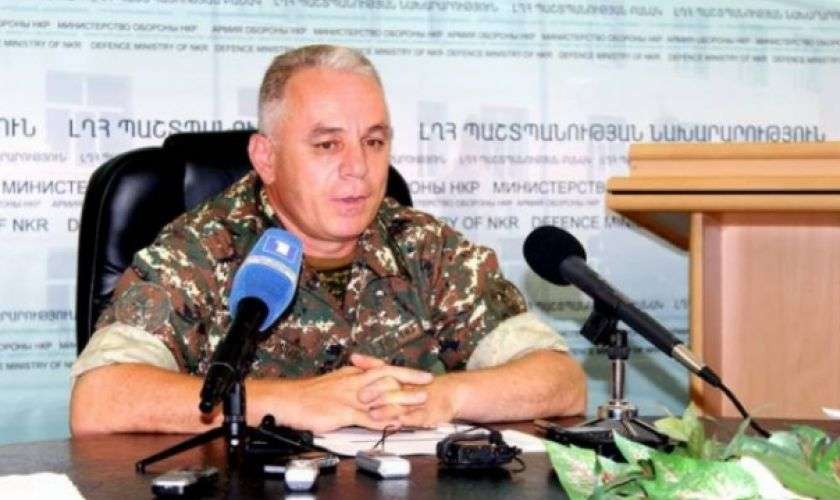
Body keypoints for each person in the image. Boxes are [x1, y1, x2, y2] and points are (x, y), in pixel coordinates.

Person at [70, 45, 585, 435]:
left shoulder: (425, 246)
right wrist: (292, 403)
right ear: (266, 157)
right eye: (326, 145)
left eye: (373, 141)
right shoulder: (202, 248)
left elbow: (561, 381)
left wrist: (442, 397)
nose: (358, 168)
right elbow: (98, 401)